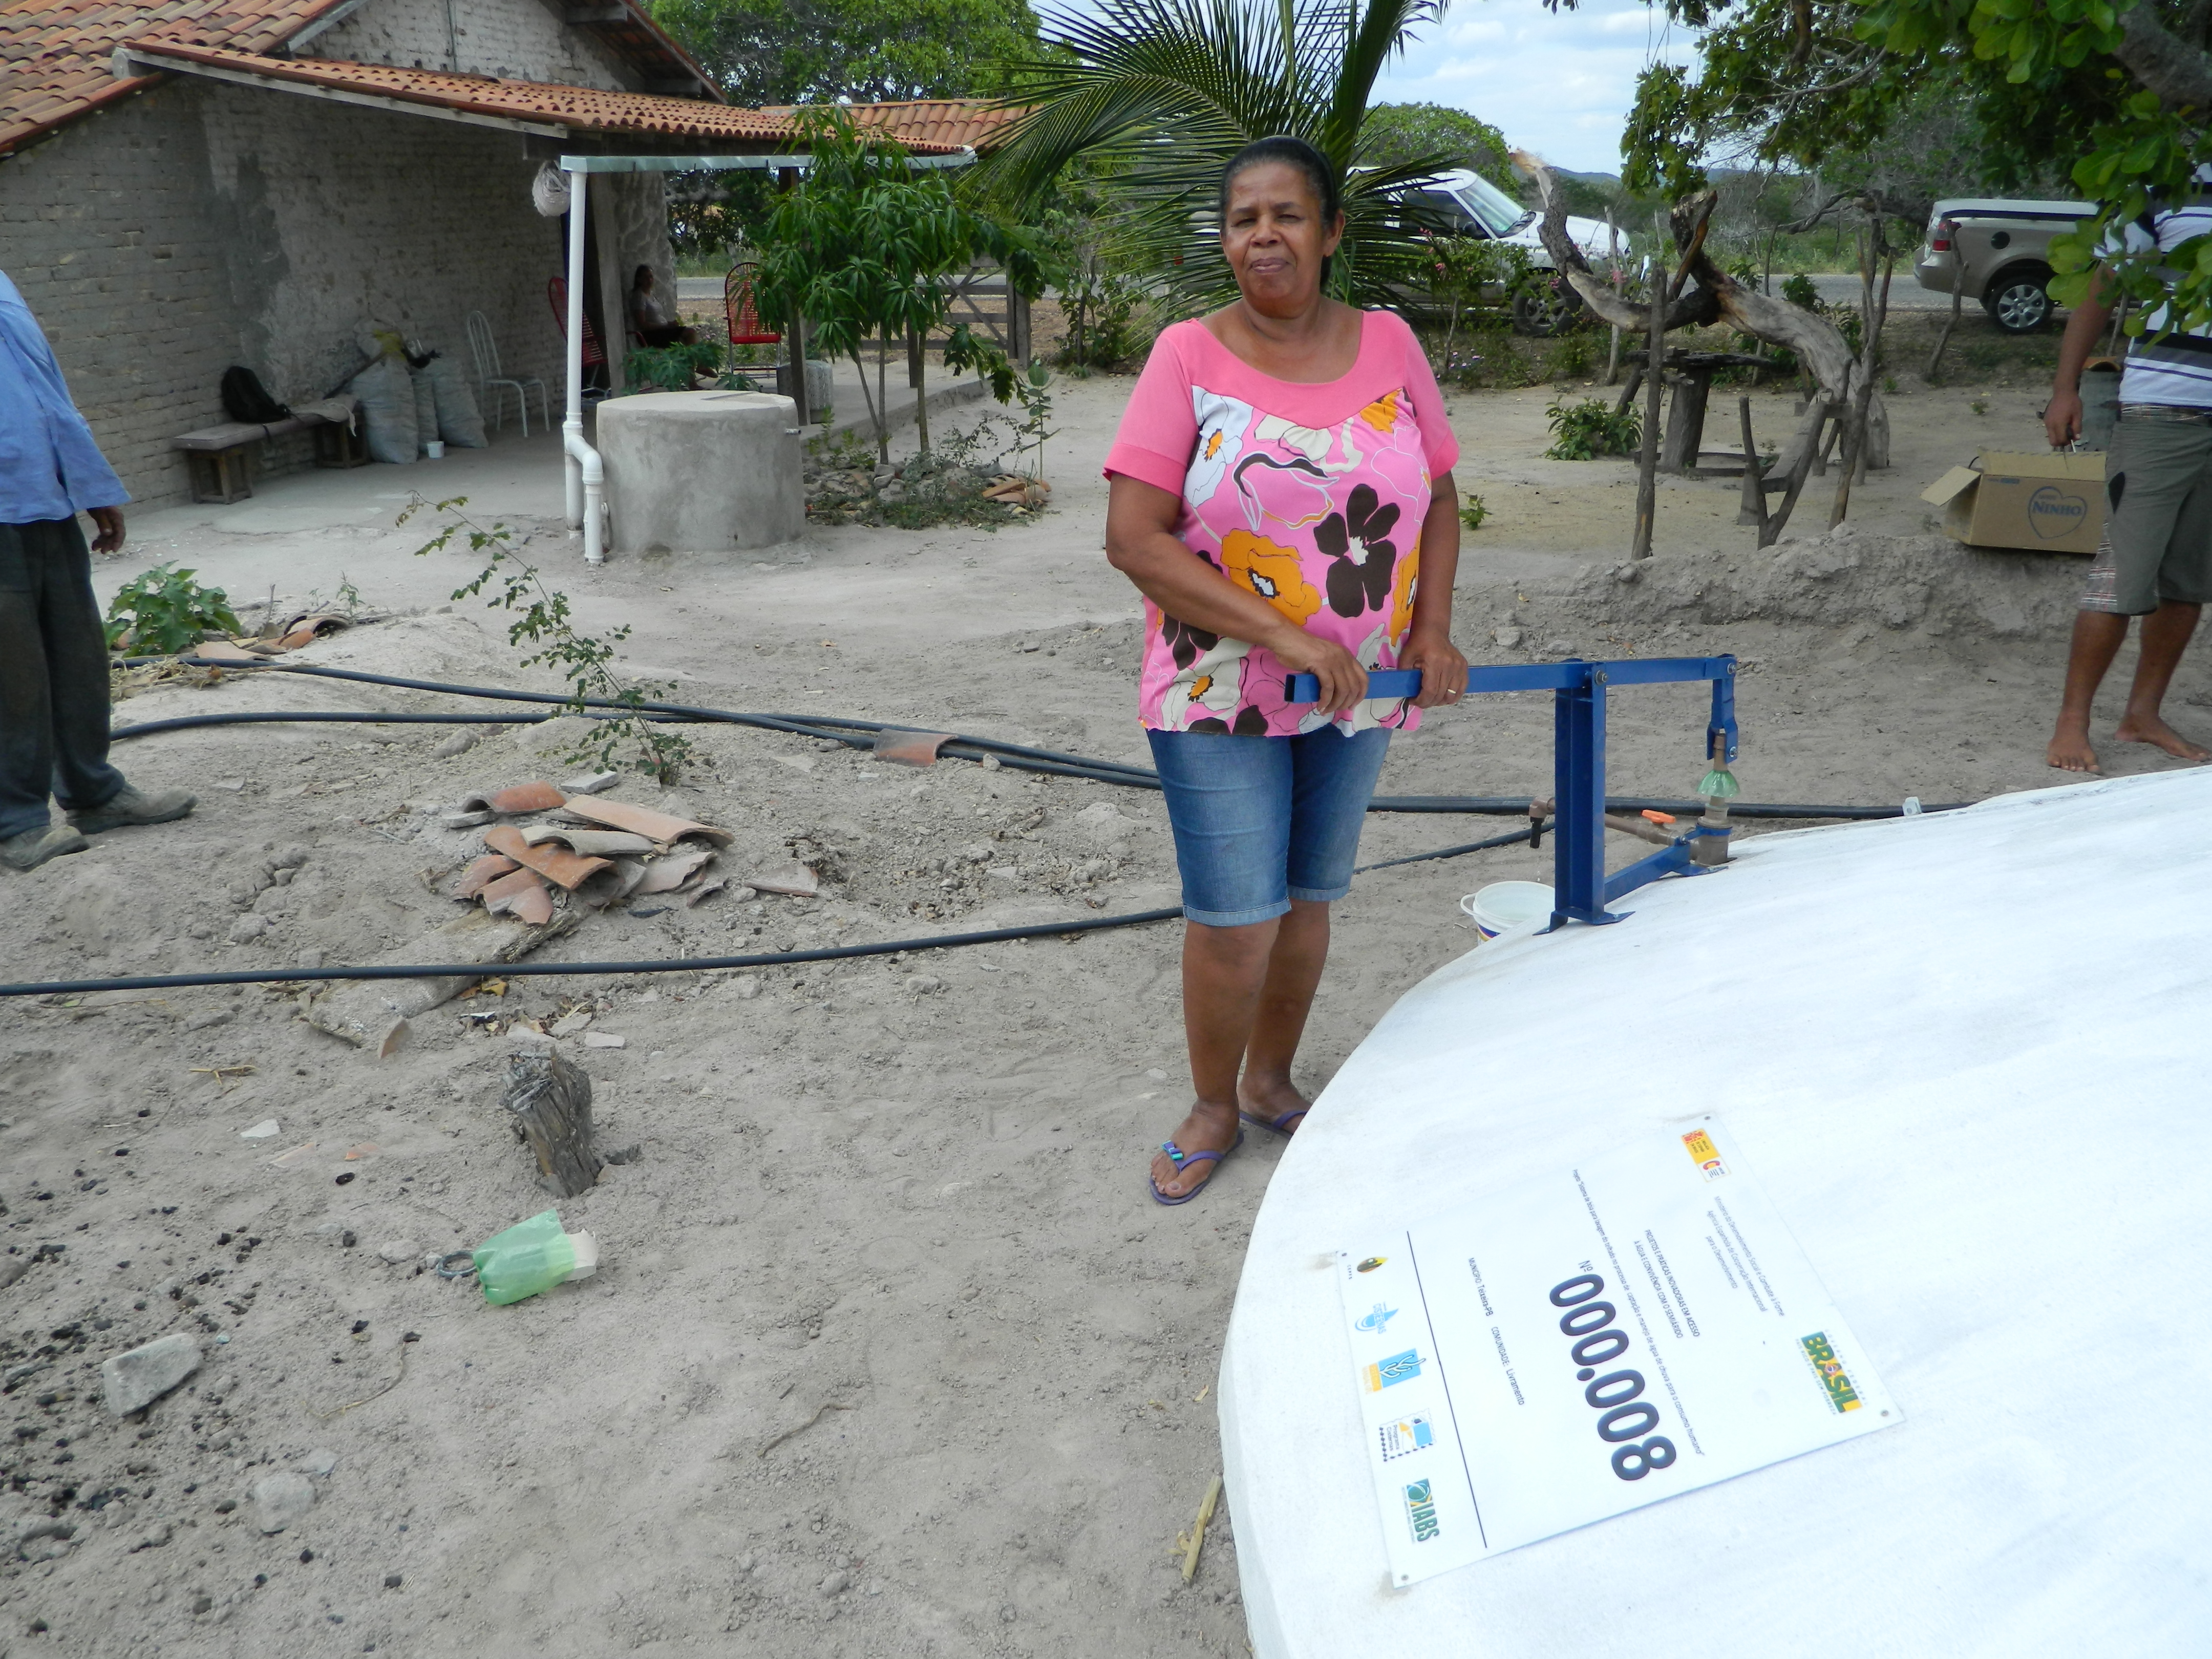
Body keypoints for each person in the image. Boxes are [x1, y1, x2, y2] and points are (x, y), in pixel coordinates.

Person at [1102, 136, 1469, 1205]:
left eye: (1288, 215)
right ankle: (1213, 1103)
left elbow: (1439, 497)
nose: (1264, 234)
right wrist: (1280, 634)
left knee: (1309, 901)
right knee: (1236, 917)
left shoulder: (1392, 343)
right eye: (1243, 219)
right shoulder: (1186, 355)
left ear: (1330, 231)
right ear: (1225, 242)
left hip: (1358, 694)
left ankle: (1270, 1082)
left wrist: (1433, 630)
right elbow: (1136, 537)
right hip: (1218, 693)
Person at [0, 269, 196, 872]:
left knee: (78, 655)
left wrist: (87, 483)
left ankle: (96, 793)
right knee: (13, 673)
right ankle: (16, 823)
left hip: (46, 500)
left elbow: (45, 392)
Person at [2043, 179, 2212, 773]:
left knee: (2190, 579)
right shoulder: (2168, 178)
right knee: (2121, 575)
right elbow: (2101, 288)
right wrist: (2066, 389)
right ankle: (2072, 721)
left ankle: (2143, 714)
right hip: (2160, 409)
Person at [626, 266, 697, 349]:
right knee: (691, 333)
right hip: (651, 335)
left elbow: (656, 318)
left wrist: (669, 324)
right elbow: (642, 324)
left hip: (661, 330)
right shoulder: (639, 297)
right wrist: (665, 327)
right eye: (646, 278)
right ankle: (696, 360)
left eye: (651, 277)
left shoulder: (650, 295)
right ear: (639, 280)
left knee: (685, 340)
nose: (650, 280)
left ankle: (693, 360)